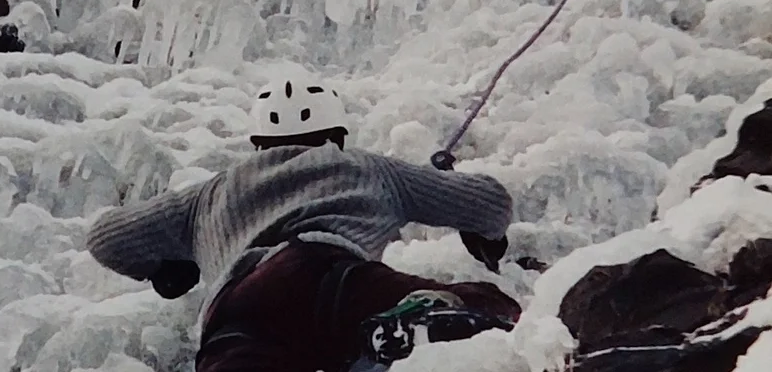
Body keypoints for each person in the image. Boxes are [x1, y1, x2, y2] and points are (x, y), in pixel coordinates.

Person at [86, 71, 523, 372]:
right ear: (337, 135)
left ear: (258, 143)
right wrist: (487, 238)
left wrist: (166, 269)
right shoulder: (366, 168)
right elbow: (491, 202)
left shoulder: (212, 193)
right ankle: (423, 318)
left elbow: (106, 237)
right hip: (336, 279)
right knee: (476, 301)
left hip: (241, 313)